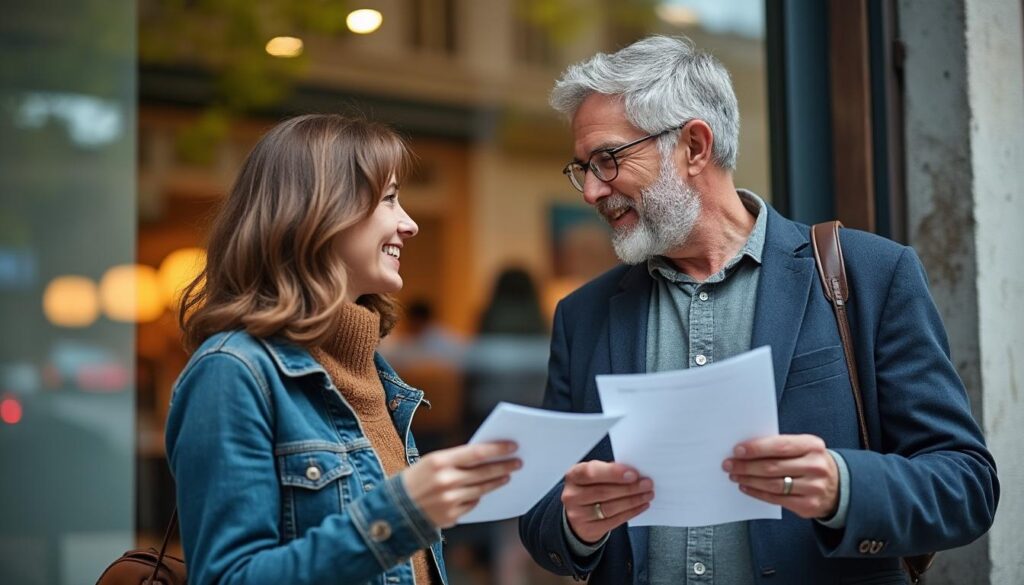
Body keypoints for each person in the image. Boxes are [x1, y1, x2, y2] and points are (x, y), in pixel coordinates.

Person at [518, 36, 998, 585]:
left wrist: (843, 486)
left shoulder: (870, 276)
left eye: (607, 160)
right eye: (581, 168)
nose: (591, 192)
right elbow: (540, 514)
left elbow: (967, 486)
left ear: (695, 146)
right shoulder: (585, 315)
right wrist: (577, 524)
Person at [166, 114, 521, 585]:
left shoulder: (377, 375)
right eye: (390, 198)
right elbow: (228, 578)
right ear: (319, 210)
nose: (409, 223)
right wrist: (396, 515)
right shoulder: (233, 372)